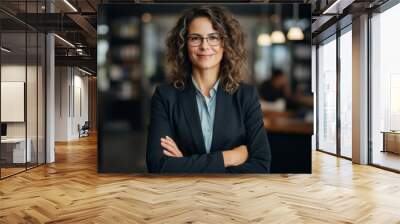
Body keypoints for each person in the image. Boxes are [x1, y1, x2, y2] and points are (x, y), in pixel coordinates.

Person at [146, 6, 271, 173]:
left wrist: (184, 163)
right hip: (181, 196)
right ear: (183, 44)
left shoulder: (246, 95)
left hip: (233, 196)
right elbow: (158, 165)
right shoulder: (165, 96)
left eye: (213, 37)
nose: (204, 46)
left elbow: (261, 166)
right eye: (195, 38)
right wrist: (229, 157)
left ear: (226, 43)